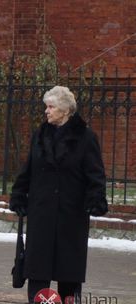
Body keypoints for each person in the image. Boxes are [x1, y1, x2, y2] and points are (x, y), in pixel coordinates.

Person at [9, 86, 108, 303]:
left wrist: (95, 198)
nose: (46, 111)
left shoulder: (85, 137)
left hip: (71, 213)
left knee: (68, 271)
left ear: (65, 110)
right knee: (37, 269)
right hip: (41, 211)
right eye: (47, 106)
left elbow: (96, 173)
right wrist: (18, 195)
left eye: (51, 106)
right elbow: (28, 169)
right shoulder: (40, 135)